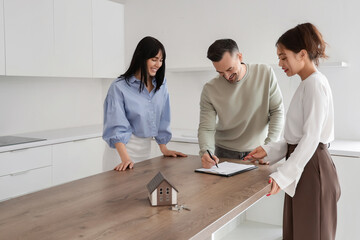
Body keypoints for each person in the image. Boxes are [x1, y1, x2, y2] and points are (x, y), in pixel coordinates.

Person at [244, 23, 341, 239]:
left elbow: (311, 139)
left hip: (312, 167)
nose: (279, 63)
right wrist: (268, 150)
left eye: (283, 57)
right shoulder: (307, 84)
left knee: (310, 233)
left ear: (302, 54)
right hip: (304, 167)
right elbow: (297, 138)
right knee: (298, 232)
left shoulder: (315, 84)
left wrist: (282, 176)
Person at [103, 36, 187, 171]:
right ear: (141, 58)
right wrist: (125, 158)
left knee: (143, 190)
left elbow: (162, 118)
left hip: (145, 150)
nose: (158, 64)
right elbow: (116, 124)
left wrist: (164, 148)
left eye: (161, 60)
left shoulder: (161, 85)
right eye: (154, 59)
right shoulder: (119, 87)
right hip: (121, 152)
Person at [198, 39, 284, 168]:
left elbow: (277, 111)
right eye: (220, 72)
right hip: (223, 153)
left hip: (259, 152)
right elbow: (207, 128)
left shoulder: (265, 73)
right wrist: (206, 152)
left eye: (229, 69)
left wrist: (269, 147)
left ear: (239, 56)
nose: (227, 76)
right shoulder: (209, 89)